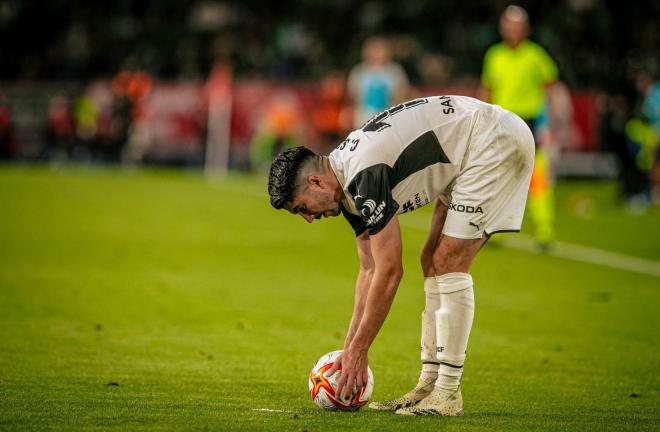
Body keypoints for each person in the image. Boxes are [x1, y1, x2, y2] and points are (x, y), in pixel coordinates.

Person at [268, 95, 534, 416]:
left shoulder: (362, 175)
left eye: (302, 208)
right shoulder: (343, 183)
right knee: (431, 261)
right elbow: (369, 269)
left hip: (491, 142)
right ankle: (428, 386)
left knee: (448, 262)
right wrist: (350, 347)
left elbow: (390, 270)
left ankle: (447, 393)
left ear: (315, 182)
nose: (308, 218)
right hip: (466, 149)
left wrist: (360, 350)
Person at [479, 4, 559, 248]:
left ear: (525, 29)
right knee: (501, 176)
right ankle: (498, 229)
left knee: (537, 177)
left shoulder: (535, 55)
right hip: (503, 122)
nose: (512, 30)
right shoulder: (494, 55)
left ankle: (544, 229)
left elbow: (551, 89)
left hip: (529, 122)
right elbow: (487, 89)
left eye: (517, 26)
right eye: (508, 25)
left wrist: (551, 124)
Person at [348, 36, 409, 129]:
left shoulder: (395, 71)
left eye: (380, 49)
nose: (377, 53)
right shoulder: (359, 71)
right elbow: (353, 94)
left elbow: (401, 94)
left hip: (389, 119)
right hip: (363, 119)